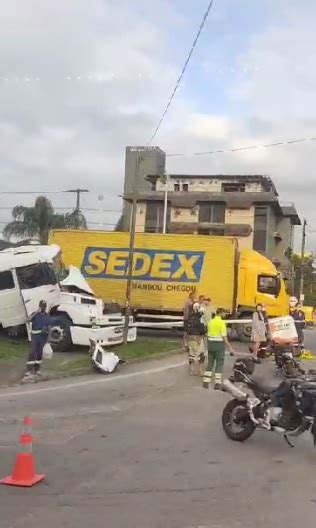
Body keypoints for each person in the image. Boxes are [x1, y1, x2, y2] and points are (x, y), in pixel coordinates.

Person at [203, 308, 234, 390]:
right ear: (220, 313)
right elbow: (224, 336)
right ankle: (217, 383)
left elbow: (207, 334)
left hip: (211, 344)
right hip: (219, 345)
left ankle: (206, 381)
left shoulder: (210, 321)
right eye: (224, 313)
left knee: (210, 362)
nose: (225, 314)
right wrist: (229, 346)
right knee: (219, 363)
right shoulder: (221, 323)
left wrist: (207, 344)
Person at [23, 300, 51, 380]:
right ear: (39, 306)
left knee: (39, 353)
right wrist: (36, 312)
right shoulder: (35, 314)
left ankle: (37, 369)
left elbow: (49, 327)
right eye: (42, 306)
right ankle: (29, 370)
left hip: (43, 336)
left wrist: (48, 338)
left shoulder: (46, 316)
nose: (43, 308)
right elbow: (27, 320)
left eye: (44, 307)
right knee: (32, 352)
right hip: (35, 335)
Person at [186, 302, 206, 376]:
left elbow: (186, 329)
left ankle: (191, 370)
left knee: (191, 354)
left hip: (190, 338)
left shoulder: (189, 317)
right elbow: (202, 329)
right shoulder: (199, 318)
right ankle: (200, 371)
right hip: (198, 338)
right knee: (201, 355)